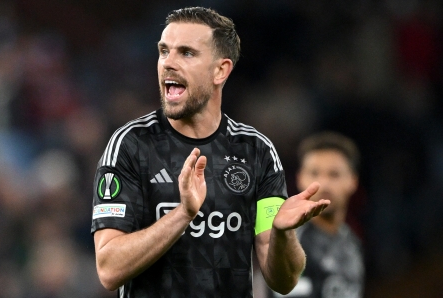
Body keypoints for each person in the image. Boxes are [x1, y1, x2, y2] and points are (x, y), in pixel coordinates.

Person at [91, 7, 330, 297]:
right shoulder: (131, 145)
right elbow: (108, 269)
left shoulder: (256, 151)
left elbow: (284, 281)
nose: (168, 63)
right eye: (164, 51)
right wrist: (182, 215)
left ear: (221, 70)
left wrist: (281, 234)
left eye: (186, 53)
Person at [271, 131, 365, 298]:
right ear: (300, 179)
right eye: (314, 173)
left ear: (353, 181)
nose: (324, 184)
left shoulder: (351, 242)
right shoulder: (293, 244)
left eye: (334, 174)